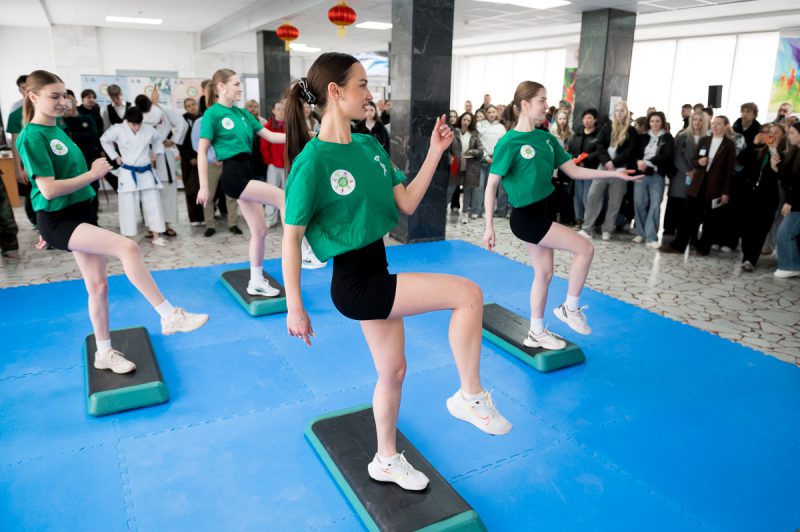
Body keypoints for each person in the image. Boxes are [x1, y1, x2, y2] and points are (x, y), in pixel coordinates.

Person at [282, 53, 512, 492]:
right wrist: (295, 306)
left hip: (377, 269)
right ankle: (470, 396)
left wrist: (436, 153)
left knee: (393, 372)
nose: (369, 94)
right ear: (335, 92)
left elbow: (406, 202)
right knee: (467, 294)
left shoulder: (368, 146)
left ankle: (385, 459)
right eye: (362, 84)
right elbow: (290, 239)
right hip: (355, 283)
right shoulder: (312, 163)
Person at [16, 70, 207, 373]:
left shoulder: (57, 129)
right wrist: (92, 175)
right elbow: (48, 190)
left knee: (98, 286)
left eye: (64, 95)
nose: (62, 101)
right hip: (60, 218)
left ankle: (103, 352)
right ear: (33, 96)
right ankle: (169, 314)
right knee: (127, 247)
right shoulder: (32, 135)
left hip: (78, 214)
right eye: (54, 96)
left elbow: (57, 184)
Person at [483, 81, 641, 351]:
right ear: (525, 104)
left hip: (542, 214)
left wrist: (614, 173)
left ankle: (536, 332)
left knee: (544, 274)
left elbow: (575, 171)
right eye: (542, 100)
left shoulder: (547, 138)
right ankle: (570, 308)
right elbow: (491, 186)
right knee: (585, 249)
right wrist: (489, 227)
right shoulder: (508, 142)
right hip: (526, 219)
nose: (547, 105)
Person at [197, 68, 288, 297]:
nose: (240, 88)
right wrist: (204, 186)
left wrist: (305, 136)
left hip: (248, 172)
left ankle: (255, 281)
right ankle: (300, 249)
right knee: (283, 198)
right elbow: (202, 151)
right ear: (221, 87)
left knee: (260, 230)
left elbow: (271, 136)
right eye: (236, 84)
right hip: (233, 176)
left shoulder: (244, 114)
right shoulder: (212, 114)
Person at [660, 116, 736, 256]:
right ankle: (678, 245)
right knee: (688, 215)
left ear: (726, 126)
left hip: (716, 186)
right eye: (713, 123)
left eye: (719, 124)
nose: (715, 126)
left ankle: (703, 248)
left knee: (710, 218)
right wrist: (699, 162)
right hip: (699, 183)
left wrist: (726, 192)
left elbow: (729, 170)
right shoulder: (704, 140)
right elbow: (695, 160)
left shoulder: (729, 145)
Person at [100, 107, 168, 246]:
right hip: (128, 172)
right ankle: (127, 238)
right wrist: (115, 156)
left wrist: (156, 152)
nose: (137, 127)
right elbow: (104, 140)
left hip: (146, 171)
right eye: (134, 124)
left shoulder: (148, 129)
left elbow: (157, 140)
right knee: (127, 205)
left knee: (153, 204)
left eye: (139, 124)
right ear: (127, 121)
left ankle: (156, 236)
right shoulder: (118, 129)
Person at [580, 101, 638, 241]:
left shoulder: (631, 131)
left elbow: (630, 151)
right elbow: (599, 145)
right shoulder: (607, 127)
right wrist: (606, 161)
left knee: (615, 200)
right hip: (603, 167)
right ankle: (587, 228)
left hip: (620, 168)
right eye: (617, 110)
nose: (619, 113)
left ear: (626, 113)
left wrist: (614, 163)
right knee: (593, 195)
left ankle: (607, 229)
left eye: (622, 111)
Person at [136, 93, 187, 238]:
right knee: (148, 193)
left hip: (164, 154)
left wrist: (174, 140)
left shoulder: (162, 109)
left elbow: (182, 123)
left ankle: (167, 224)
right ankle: (153, 227)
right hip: (145, 156)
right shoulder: (135, 114)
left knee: (167, 192)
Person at [634, 111, 675, 247]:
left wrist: (648, 162)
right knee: (639, 203)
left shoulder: (667, 138)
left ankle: (651, 236)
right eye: (652, 121)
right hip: (641, 173)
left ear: (662, 122)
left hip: (657, 174)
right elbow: (635, 153)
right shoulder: (642, 137)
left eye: (657, 121)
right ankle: (640, 232)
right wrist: (639, 161)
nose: (655, 124)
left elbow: (666, 155)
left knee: (655, 204)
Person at [665, 111, 709, 236]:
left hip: (698, 175)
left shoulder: (707, 138)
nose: (697, 122)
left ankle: (686, 230)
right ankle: (670, 228)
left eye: (700, 120)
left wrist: (696, 171)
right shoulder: (682, 136)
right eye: (695, 119)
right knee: (676, 201)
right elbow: (677, 157)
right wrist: (688, 171)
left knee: (691, 203)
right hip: (681, 174)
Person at [567, 108, 601, 230]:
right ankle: (578, 220)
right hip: (577, 169)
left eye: (589, 118)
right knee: (577, 196)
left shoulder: (598, 135)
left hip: (590, 170)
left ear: (595, 120)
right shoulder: (577, 134)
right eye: (585, 118)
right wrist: (575, 160)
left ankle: (589, 222)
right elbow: (571, 150)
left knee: (588, 196)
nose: (586, 120)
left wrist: (585, 160)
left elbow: (599, 152)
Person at [773, 122, 800, 278]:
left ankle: (791, 265)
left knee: (785, 232)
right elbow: (787, 180)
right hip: (793, 201)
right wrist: (776, 167)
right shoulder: (794, 152)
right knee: (787, 232)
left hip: (797, 203)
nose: (789, 136)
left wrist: (790, 201)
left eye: (792, 133)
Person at [449, 112, 484, 221]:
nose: (466, 122)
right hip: (455, 165)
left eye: (469, 120)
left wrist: (473, 151)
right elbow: (446, 149)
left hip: (470, 167)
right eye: (464, 119)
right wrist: (450, 157)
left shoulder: (474, 134)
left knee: (467, 189)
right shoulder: (454, 132)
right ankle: (442, 211)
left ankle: (464, 213)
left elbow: (481, 151)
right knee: (450, 188)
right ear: (461, 119)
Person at [260, 100, 288, 230]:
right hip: (274, 165)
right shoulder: (268, 126)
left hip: (288, 165)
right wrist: (269, 160)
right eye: (278, 109)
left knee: (287, 192)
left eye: (283, 108)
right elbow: (264, 146)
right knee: (271, 192)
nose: (281, 111)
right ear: (273, 111)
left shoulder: (290, 124)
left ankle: (287, 219)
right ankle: (270, 219)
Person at [179, 97, 204, 226]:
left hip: (203, 157)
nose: (192, 107)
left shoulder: (204, 118)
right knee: (191, 188)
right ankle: (194, 217)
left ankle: (205, 215)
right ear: (185, 108)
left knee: (203, 187)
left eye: (193, 104)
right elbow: (180, 141)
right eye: (188, 106)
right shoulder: (181, 120)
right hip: (188, 161)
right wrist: (190, 157)